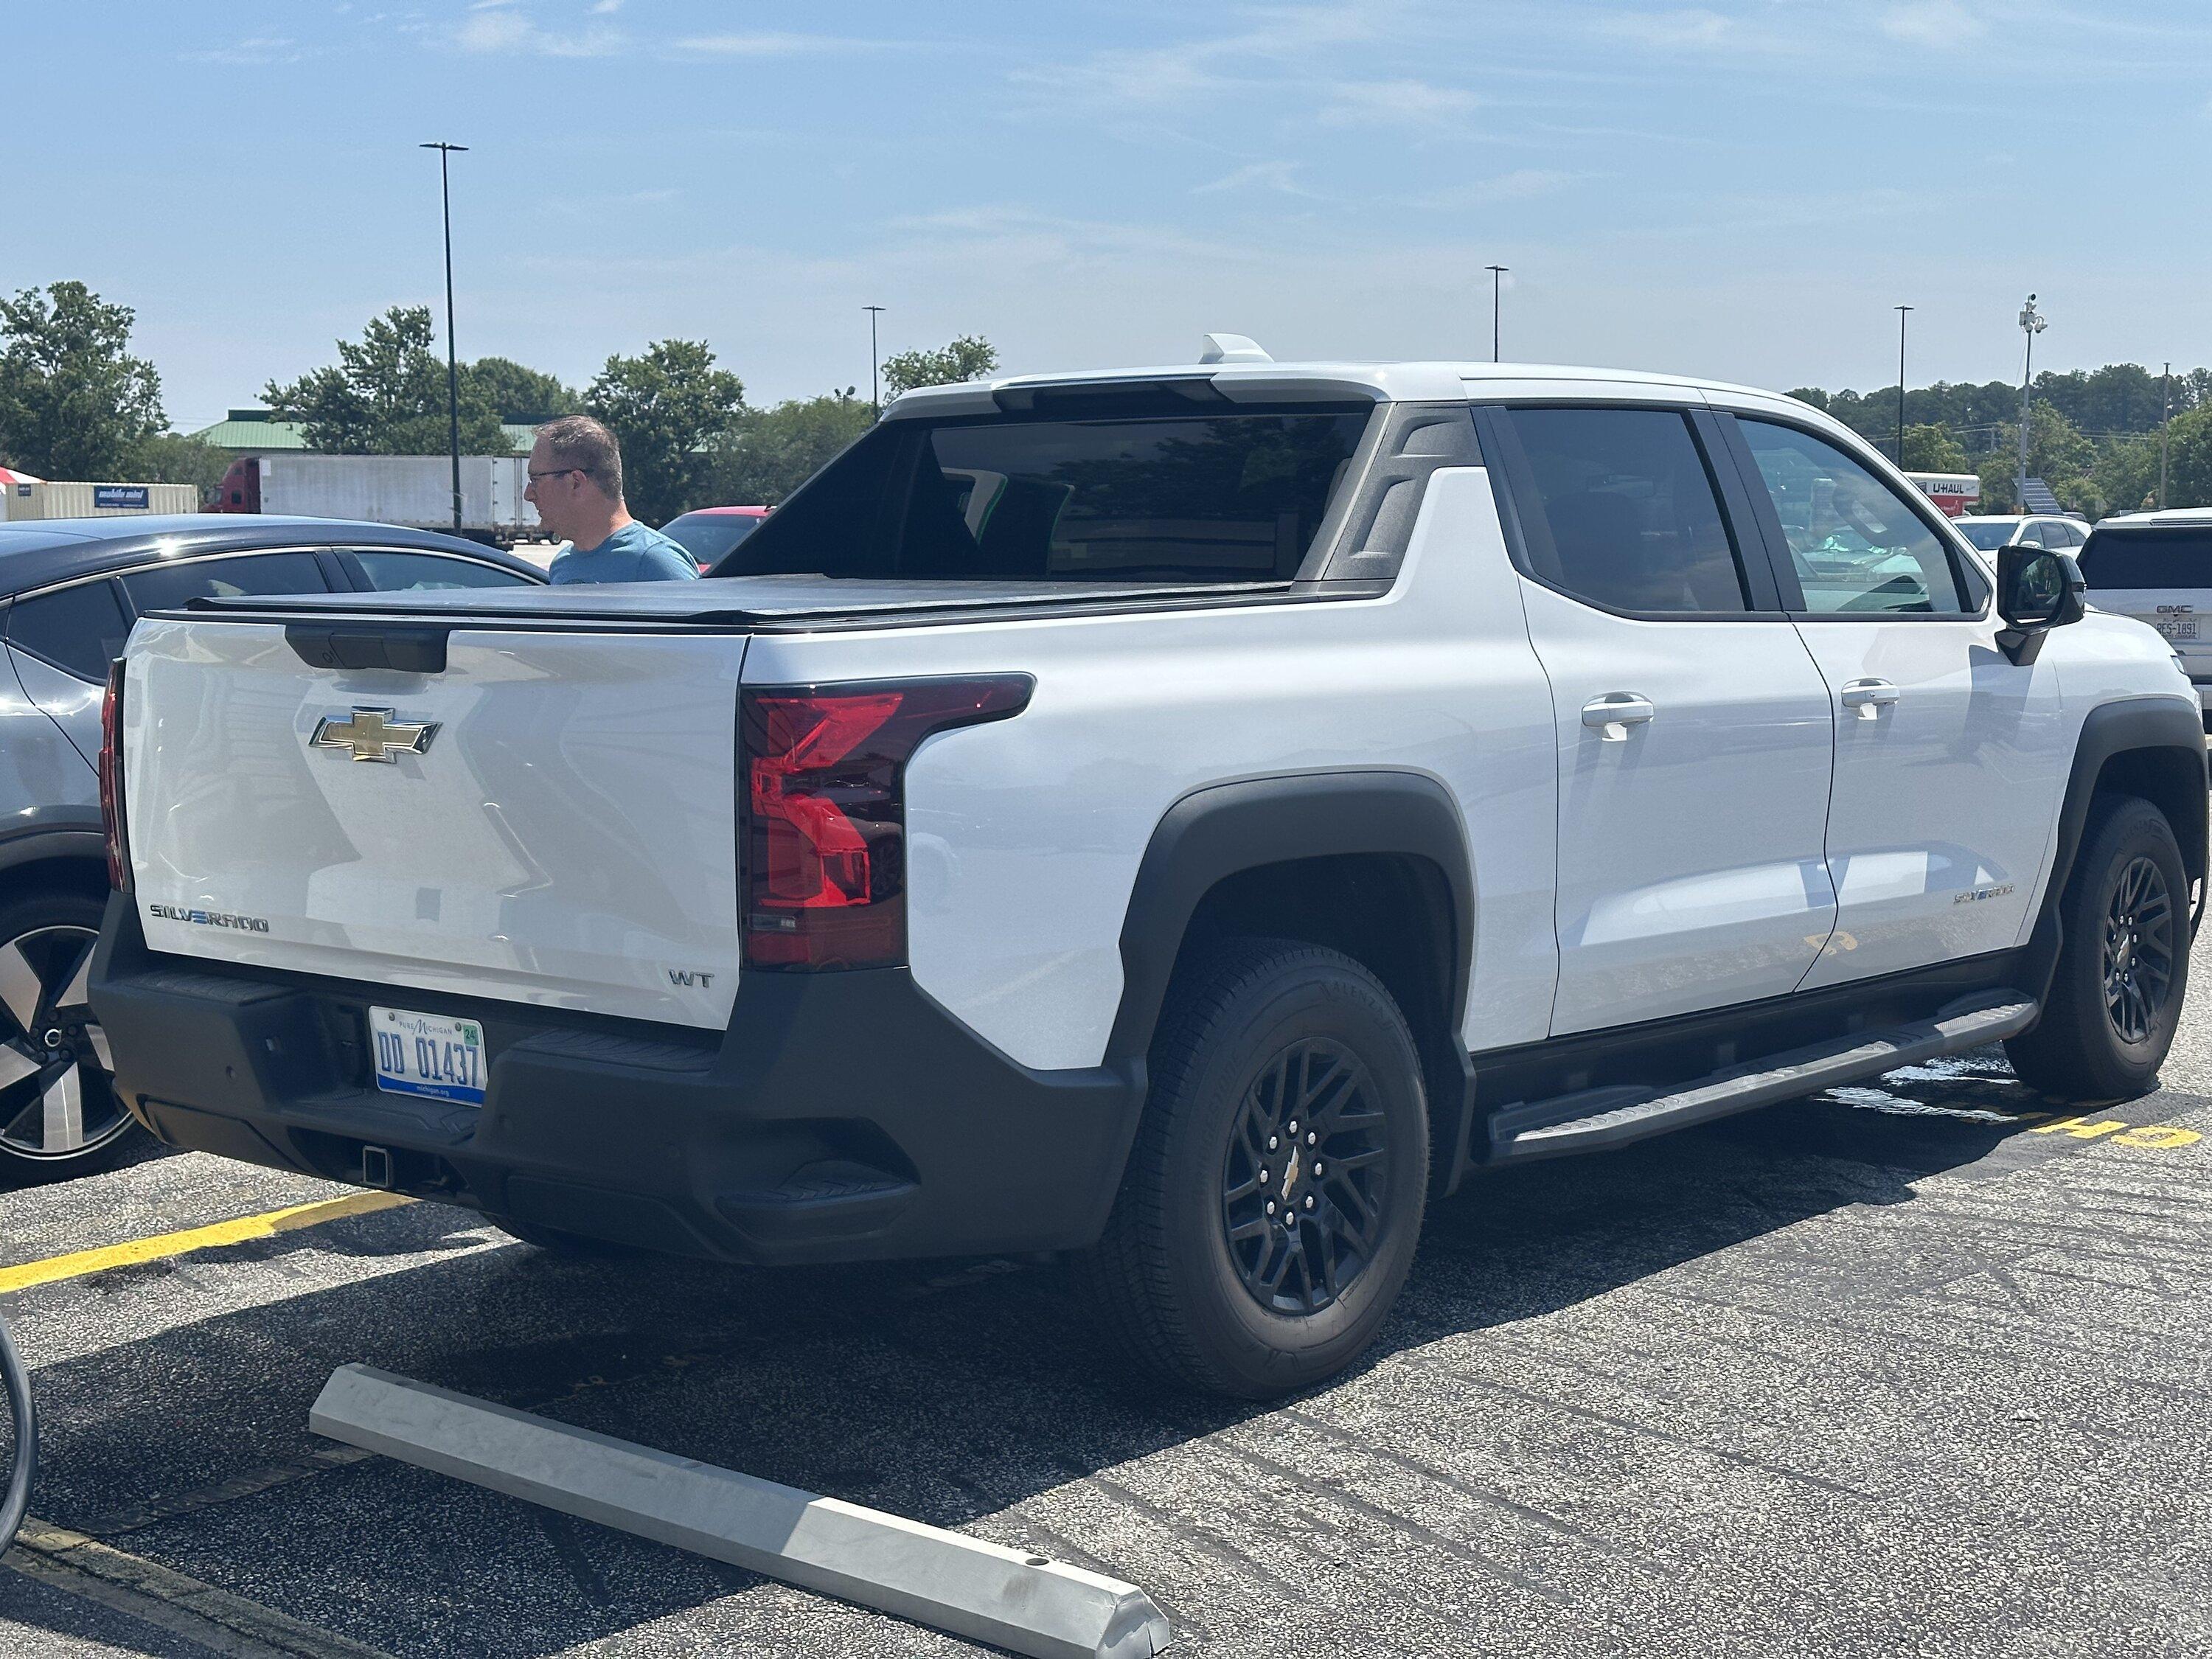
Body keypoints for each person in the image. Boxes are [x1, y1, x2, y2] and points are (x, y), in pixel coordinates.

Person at [524, 415, 699, 585]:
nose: (528, 495)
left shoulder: (657, 563)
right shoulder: (562, 565)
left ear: (575, 482)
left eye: (536, 480)